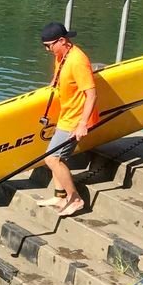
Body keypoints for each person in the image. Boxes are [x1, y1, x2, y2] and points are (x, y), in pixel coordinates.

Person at [37, 22, 98, 217]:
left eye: (49, 45)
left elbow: (91, 94)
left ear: (62, 41)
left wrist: (82, 124)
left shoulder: (78, 61)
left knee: (52, 158)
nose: (47, 49)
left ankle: (75, 199)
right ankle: (60, 196)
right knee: (58, 158)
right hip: (65, 115)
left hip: (74, 120)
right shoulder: (61, 56)